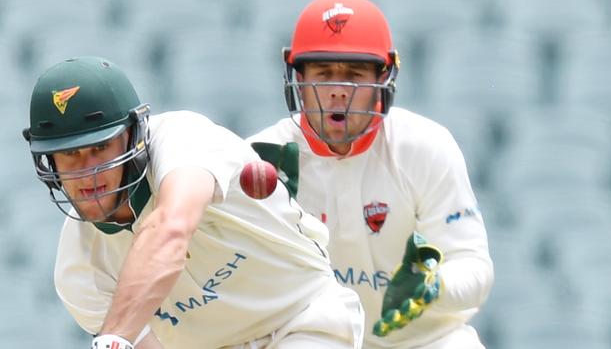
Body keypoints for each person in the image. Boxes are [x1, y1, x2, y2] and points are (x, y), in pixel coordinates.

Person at [22, 56, 365, 349]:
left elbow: (170, 229)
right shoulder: (79, 270)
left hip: (305, 319)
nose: (88, 171)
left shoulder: (183, 139)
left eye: (100, 147)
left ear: (133, 136)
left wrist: (112, 340)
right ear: (48, 163)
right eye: (69, 155)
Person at [247, 0, 494, 349]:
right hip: (316, 336)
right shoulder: (261, 161)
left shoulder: (425, 148)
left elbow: (474, 268)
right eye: (323, 73)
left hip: (424, 339)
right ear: (298, 79)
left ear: (384, 77)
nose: (337, 91)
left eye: (355, 74)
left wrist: (433, 286)